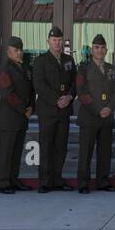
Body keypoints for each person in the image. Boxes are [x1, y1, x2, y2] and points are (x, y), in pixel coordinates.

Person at [32, 26, 76, 193]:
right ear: (48, 41)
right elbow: (39, 85)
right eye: (54, 40)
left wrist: (70, 97)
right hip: (48, 111)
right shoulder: (40, 61)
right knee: (46, 146)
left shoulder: (68, 60)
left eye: (59, 40)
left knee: (60, 146)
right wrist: (56, 100)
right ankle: (44, 181)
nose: (57, 43)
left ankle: (57, 179)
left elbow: (74, 82)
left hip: (64, 110)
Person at [75, 33, 115, 193]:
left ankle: (103, 181)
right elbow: (82, 93)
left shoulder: (112, 69)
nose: (100, 50)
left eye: (102, 48)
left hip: (106, 117)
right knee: (85, 152)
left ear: (106, 50)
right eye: (96, 47)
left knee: (105, 152)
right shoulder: (83, 68)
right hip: (89, 117)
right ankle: (83, 183)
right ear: (92, 50)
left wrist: (109, 108)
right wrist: (98, 109)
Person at [0, 35, 34, 194]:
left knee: (17, 151)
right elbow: (8, 94)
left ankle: (13, 179)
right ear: (8, 51)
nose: (19, 53)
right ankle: (3, 183)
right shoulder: (5, 69)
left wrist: (31, 106)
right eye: (16, 50)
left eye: (21, 50)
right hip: (8, 117)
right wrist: (23, 108)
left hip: (21, 117)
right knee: (6, 152)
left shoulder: (25, 68)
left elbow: (31, 90)